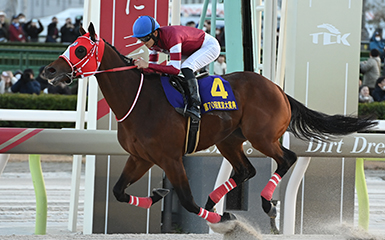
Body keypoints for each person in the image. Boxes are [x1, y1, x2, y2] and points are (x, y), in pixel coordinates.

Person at [132, 15, 221, 121]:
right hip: (189, 49)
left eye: (145, 39)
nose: (143, 43)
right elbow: (152, 70)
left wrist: (147, 65)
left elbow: (175, 70)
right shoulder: (152, 43)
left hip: (209, 46)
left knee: (186, 67)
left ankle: (195, 106)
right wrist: (136, 66)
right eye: (140, 39)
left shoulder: (172, 36)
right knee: (168, 72)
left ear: (155, 33)